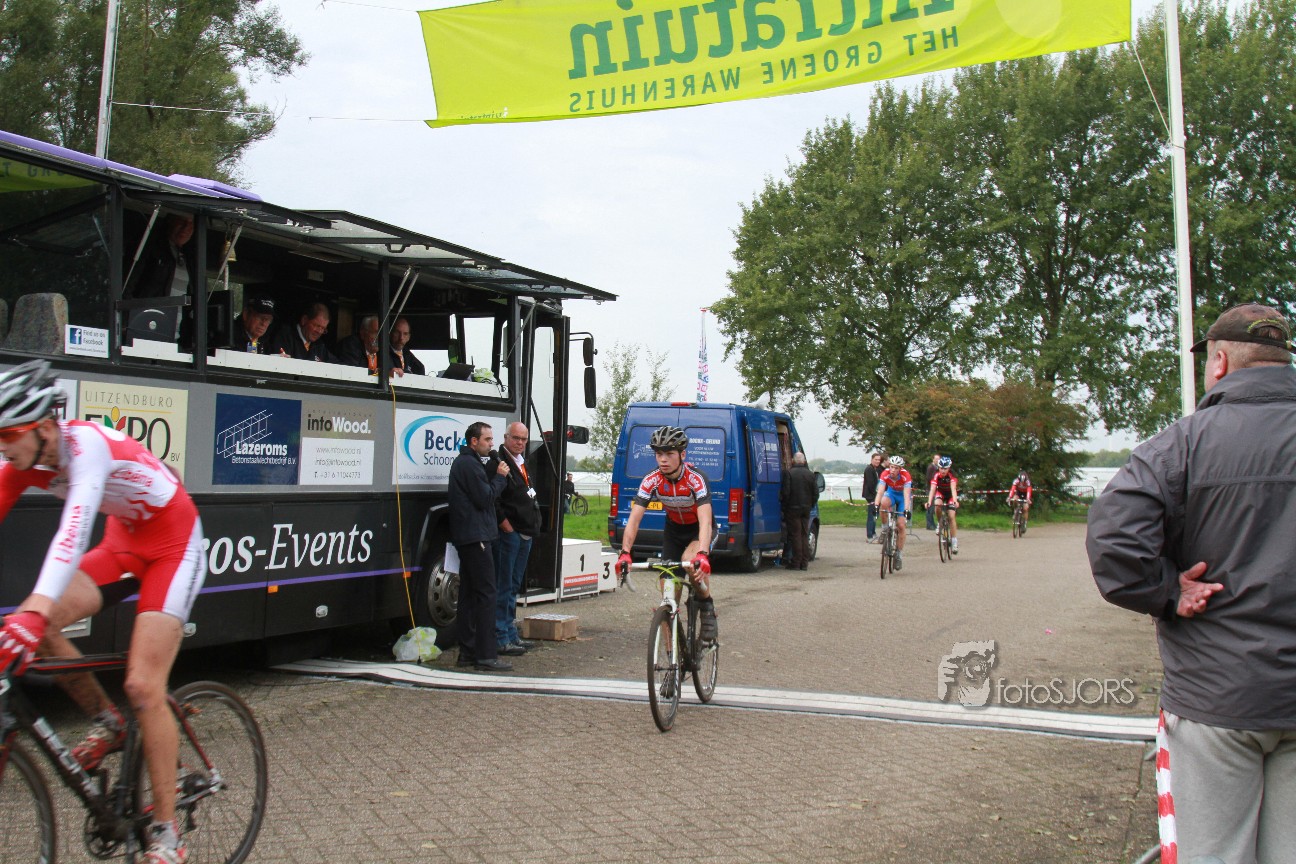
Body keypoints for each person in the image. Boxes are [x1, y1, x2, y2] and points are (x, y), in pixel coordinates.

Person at [1086, 302, 1296, 863]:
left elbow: (1113, 540)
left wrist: (1166, 590)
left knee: (1213, 855)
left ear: (1219, 362)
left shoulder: (1180, 445)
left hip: (1215, 696)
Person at [0, 360, 205, 864]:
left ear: (43, 428)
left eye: (8, 434)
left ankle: (167, 835)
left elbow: (70, 537)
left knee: (142, 686)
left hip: (173, 545)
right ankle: (107, 722)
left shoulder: (85, 446)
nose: (3, 446)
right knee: (35, 625)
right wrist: (32, 617)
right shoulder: (21, 464)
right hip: (123, 543)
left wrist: (33, 612)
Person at [616, 426, 718, 642]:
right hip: (673, 531)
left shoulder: (696, 479)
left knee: (690, 562)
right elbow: (634, 519)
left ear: (682, 455)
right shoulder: (651, 480)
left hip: (699, 530)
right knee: (669, 593)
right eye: (659, 454)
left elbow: (705, 520)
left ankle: (707, 605)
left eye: (669, 454)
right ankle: (673, 655)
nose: (663, 459)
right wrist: (625, 552)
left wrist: (702, 554)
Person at [448, 421, 512, 672]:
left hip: (469, 535)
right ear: (473, 441)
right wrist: (500, 478)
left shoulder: (468, 463)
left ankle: (468, 651)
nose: (491, 444)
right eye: (487, 439)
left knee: (469, 594)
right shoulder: (468, 464)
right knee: (486, 594)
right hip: (476, 537)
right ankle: (485, 655)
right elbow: (484, 498)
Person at [494, 422, 540, 656]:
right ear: (506, 438)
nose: (520, 443)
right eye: (516, 438)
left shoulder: (522, 462)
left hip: (525, 533)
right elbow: (494, 498)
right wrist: (506, 526)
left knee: (513, 586)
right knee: (503, 586)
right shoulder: (499, 463)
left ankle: (511, 634)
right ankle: (500, 637)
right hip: (510, 535)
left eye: (524, 439)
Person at [123, 213, 197, 344]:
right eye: (182, 221)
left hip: (175, 338)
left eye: (191, 224)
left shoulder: (188, 257)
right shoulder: (150, 247)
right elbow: (126, 287)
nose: (186, 228)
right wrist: (128, 324)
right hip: (146, 331)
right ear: (170, 220)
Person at [780, 452, 819, 570]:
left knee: (795, 535)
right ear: (804, 461)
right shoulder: (811, 475)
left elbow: (786, 492)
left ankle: (796, 562)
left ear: (793, 461)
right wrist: (811, 504)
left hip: (792, 508)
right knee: (804, 534)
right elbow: (816, 493)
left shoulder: (789, 473)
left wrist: (784, 506)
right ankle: (804, 563)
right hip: (806, 508)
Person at [874, 455, 913, 570]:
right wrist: (876, 505)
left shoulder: (906, 476)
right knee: (883, 503)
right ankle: (885, 528)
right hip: (891, 494)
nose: (893, 470)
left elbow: (907, 495)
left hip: (902, 498)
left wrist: (906, 510)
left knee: (901, 525)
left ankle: (899, 554)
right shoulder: (885, 473)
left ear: (900, 469)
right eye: (891, 467)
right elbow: (880, 491)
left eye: (896, 468)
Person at [270, 302, 336, 363]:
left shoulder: (319, 346)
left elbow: (337, 364)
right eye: (316, 326)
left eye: (323, 328)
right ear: (304, 320)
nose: (319, 331)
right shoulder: (284, 335)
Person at [928, 456, 960, 554]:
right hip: (940, 493)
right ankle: (940, 523)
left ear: (949, 468)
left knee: (951, 516)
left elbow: (953, 489)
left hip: (950, 495)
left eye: (945, 469)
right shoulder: (936, 475)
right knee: (937, 504)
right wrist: (929, 501)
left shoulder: (952, 475)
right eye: (941, 468)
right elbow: (932, 489)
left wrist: (955, 501)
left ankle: (954, 541)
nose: (943, 470)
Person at [861, 452, 884, 543]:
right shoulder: (869, 469)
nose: (877, 461)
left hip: (875, 495)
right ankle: (869, 535)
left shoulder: (875, 469)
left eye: (879, 460)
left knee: (875, 514)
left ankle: (873, 533)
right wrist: (877, 495)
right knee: (871, 515)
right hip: (871, 496)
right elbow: (871, 484)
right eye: (876, 459)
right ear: (872, 459)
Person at [924, 453, 940, 530]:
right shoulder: (931, 467)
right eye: (936, 459)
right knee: (930, 506)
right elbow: (929, 478)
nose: (937, 460)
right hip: (930, 489)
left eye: (938, 459)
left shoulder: (938, 467)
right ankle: (929, 524)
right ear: (933, 459)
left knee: (934, 507)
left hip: (936, 489)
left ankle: (932, 524)